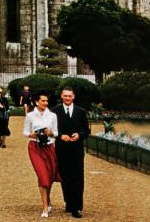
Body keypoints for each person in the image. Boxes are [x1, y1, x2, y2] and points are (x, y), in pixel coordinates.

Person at [23, 91, 60, 219]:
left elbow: (56, 133)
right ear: (36, 102)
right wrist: (31, 134)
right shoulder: (30, 116)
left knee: (49, 176)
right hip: (35, 147)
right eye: (43, 101)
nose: (45, 103)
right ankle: (45, 207)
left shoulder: (52, 116)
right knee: (42, 175)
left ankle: (48, 199)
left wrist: (50, 133)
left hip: (49, 147)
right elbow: (25, 131)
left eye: (46, 101)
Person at [55, 86, 89, 218]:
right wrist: (60, 135)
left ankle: (77, 206)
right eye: (65, 96)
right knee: (65, 178)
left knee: (77, 178)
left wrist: (79, 135)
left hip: (76, 150)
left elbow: (86, 131)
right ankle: (69, 202)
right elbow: (51, 130)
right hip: (61, 150)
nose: (67, 98)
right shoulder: (55, 111)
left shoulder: (81, 112)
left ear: (73, 96)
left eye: (70, 96)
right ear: (61, 96)